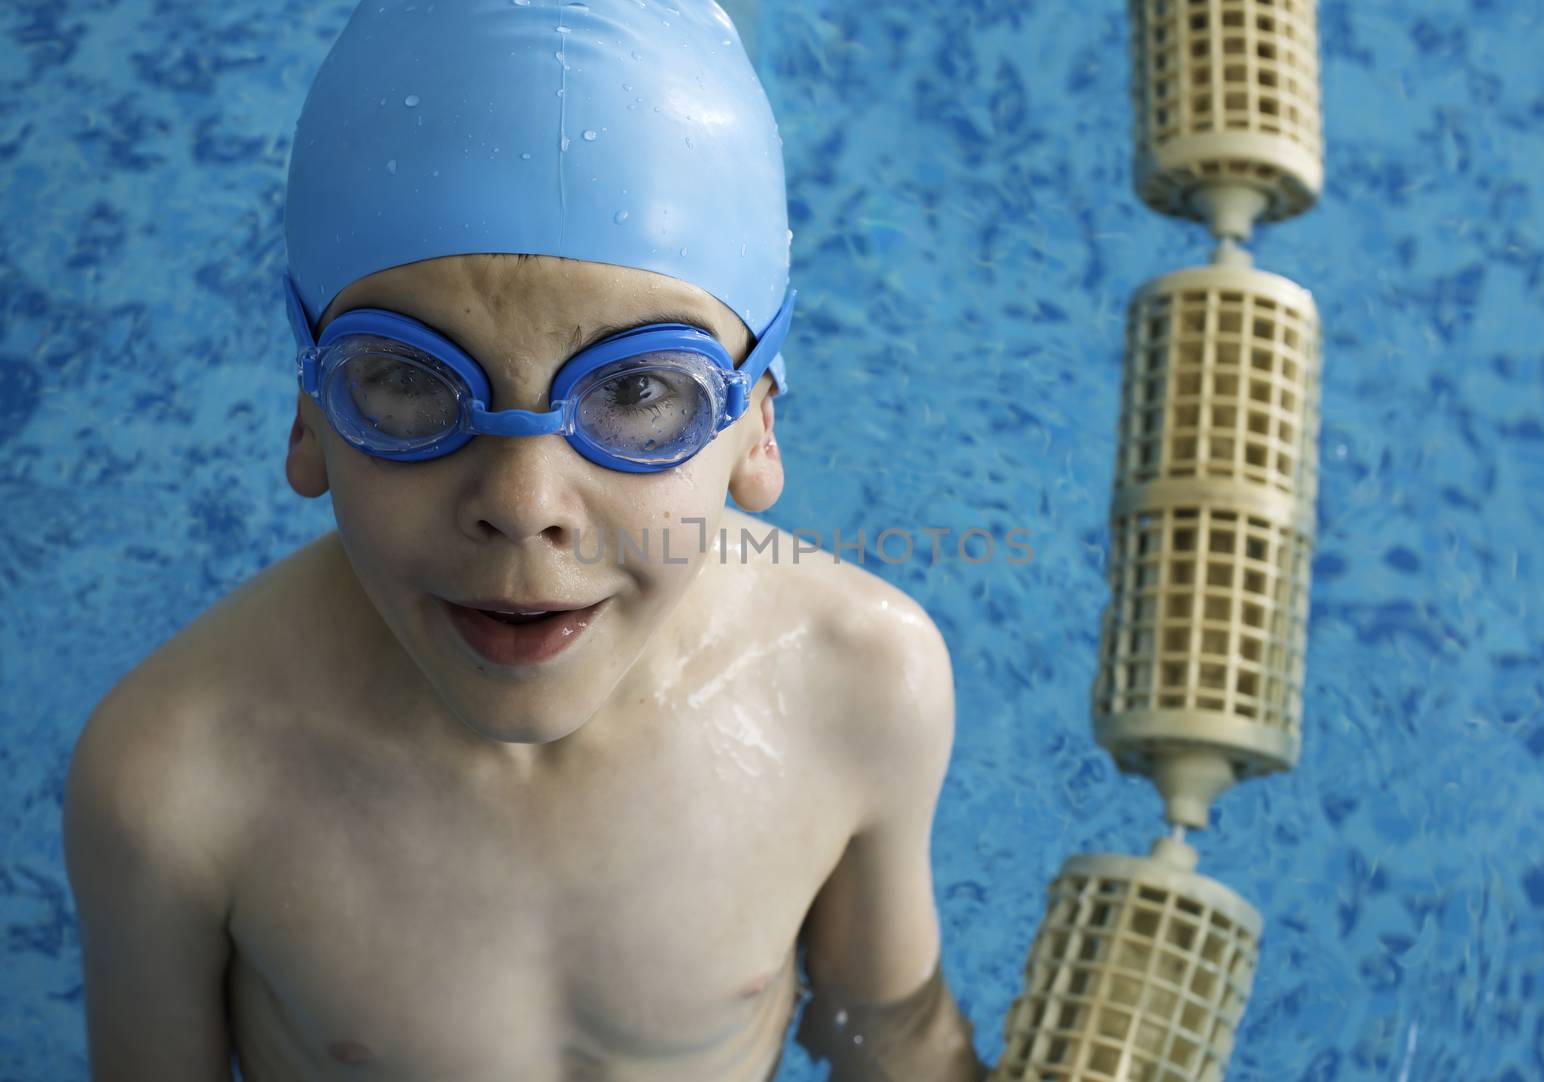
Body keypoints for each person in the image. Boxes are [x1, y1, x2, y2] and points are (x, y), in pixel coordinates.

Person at [61, 2, 988, 1079]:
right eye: (408, 380)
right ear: (309, 415)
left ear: (758, 425)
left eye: (641, 389)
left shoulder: (861, 683)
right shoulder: (177, 779)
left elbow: (890, 1036)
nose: (523, 500)